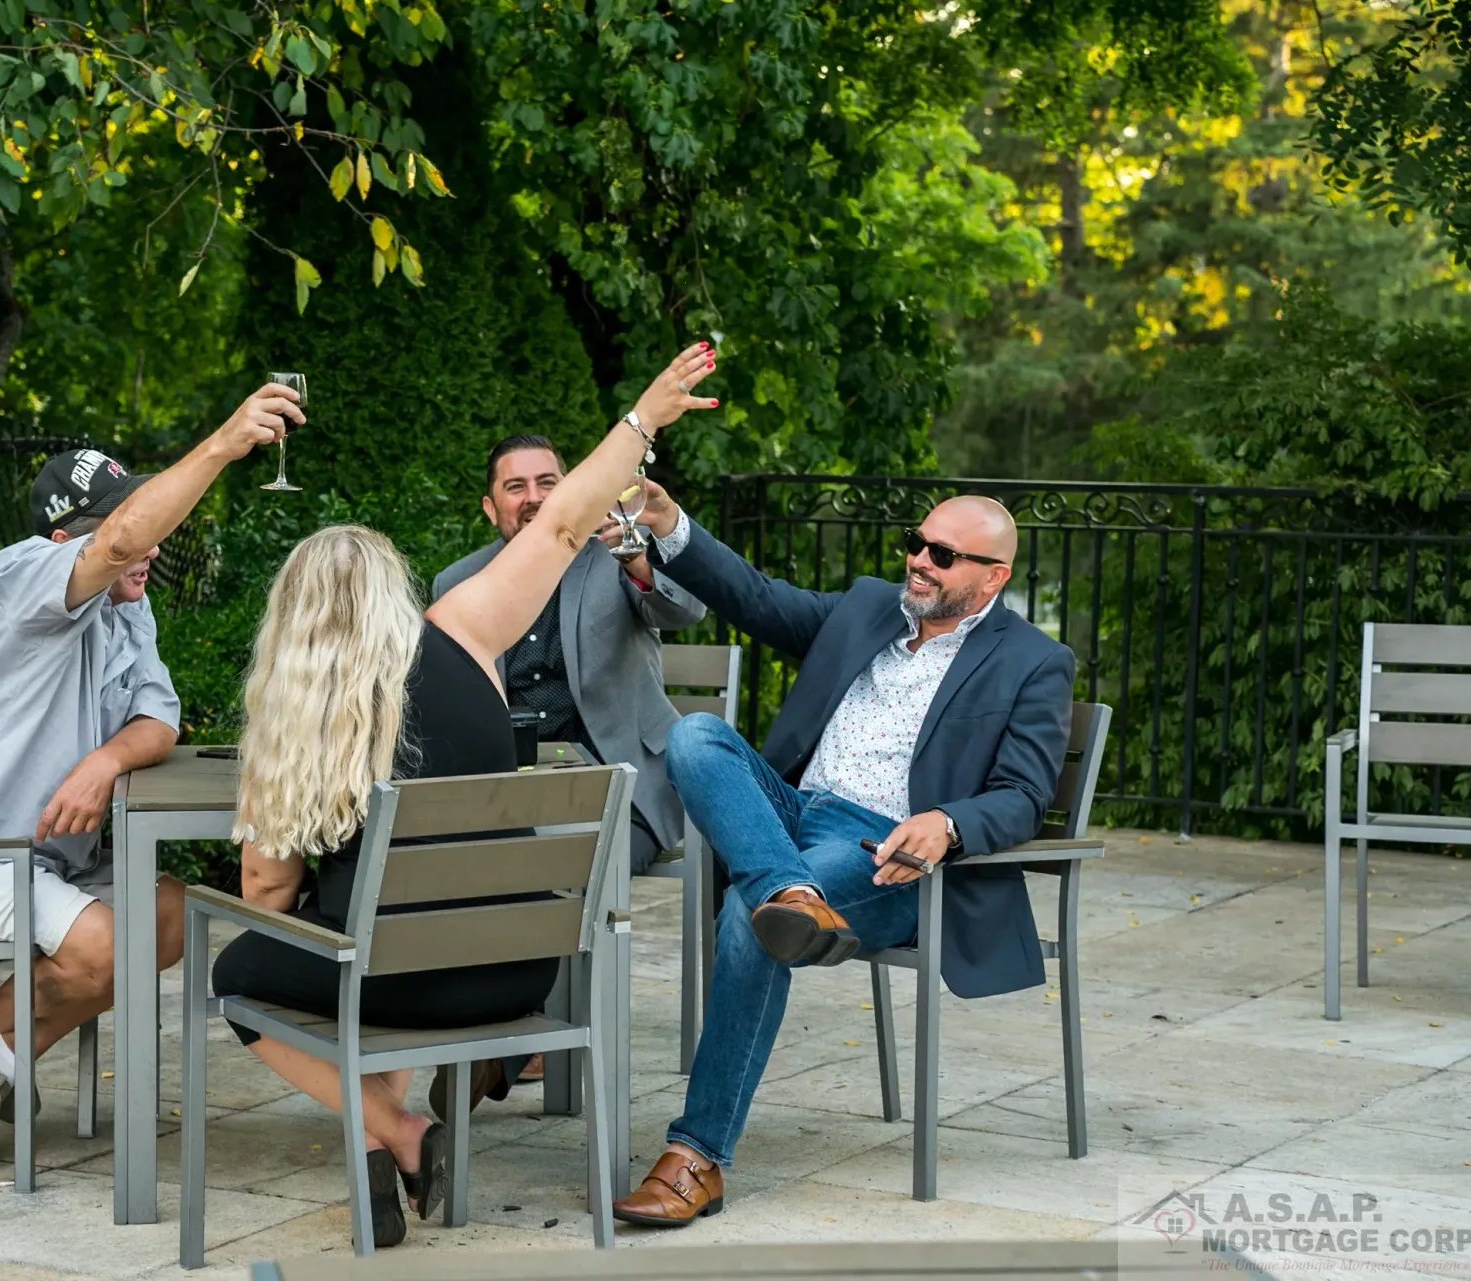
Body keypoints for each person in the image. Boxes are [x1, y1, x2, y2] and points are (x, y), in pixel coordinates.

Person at [209, 344, 719, 1248]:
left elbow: (267, 897)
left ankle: (395, 1126)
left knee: (247, 969)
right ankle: (380, 1126)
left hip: (393, 980)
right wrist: (642, 421)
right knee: (364, 945)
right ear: (393, 593)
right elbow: (562, 528)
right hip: (520, 969)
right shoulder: (464, 630)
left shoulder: (295, 725)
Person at [0, 383, 303, 1173]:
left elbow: (159, 721)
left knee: (167, 914)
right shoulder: (19, 575)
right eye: (124, 528)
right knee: (101, 948)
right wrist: (227, 441)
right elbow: (125, 541)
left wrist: (106, 760)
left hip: (28, 857)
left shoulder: (127, 607)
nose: (152, 544)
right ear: (65, 539)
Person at [608, 485, 1074, 1227]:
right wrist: (669, 527)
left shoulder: (1032, 661)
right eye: (917, 543)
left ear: (993, 576)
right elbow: (755, 598)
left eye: (943, 556)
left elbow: (1023, 794)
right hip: (792, 815)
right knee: (697, 734)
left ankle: (696, 1154)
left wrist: (949, 822)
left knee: (748, 912)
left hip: (885, 851)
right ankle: (788, 889)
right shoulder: (868, 608)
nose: (919, 563)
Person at [430, 434, 708, 1114]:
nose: (534, 498)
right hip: (511, 785)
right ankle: (508, 1029)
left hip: (623, 781)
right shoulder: (455, 583)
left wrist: (640, 557)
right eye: (516, 486)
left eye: (548, 482)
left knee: (556, 865)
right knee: (444, 866)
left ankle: (504, 1038)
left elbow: (684, 608)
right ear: (489, 506)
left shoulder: (613, 558)